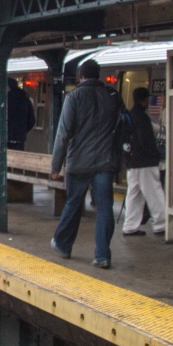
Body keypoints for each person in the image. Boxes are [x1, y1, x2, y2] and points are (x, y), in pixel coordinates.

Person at [50, 59, 122, 268]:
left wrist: (56, 166)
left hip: (79, 162)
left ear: (81, 76)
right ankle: (102, 255)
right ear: (98, 75)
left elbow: (63, 134)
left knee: (73, 203)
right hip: (104, 163)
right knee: (105, 208)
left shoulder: (74, 97)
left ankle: (63, 244)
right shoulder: (112, 96)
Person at [119, 87, 167, 237]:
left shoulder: (130, 115)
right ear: (144, 99)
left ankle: (130, 226)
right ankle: (161, 224)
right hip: (145, 162)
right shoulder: (143, 118)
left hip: (132, 162)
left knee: (134, 194)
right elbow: (146, 141)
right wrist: (156, 155)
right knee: (155, 193)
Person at [7, 82, 35, 151]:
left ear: (8, 87)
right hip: (20, 140)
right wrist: (22, 131)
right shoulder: (26, 100)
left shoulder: (5, 100)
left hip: (5, 139)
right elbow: (32, 121)